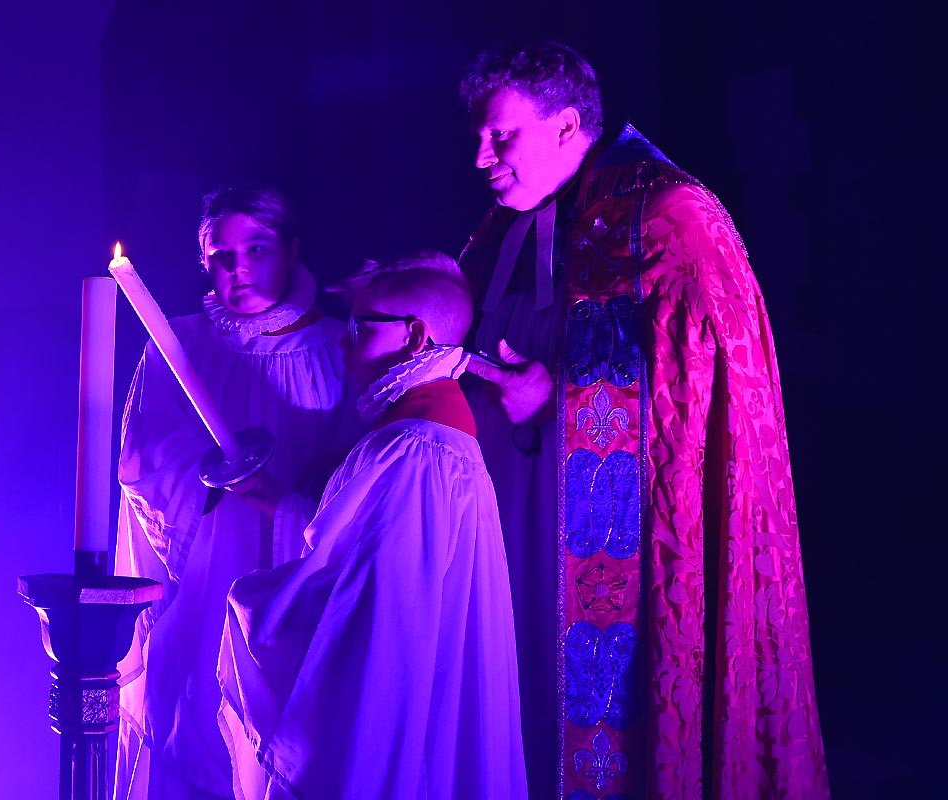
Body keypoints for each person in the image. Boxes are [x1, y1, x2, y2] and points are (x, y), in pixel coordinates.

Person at [457, 42, 829, 799]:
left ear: (566, 126)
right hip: (513, 519)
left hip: (622, 542)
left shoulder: (669, 214)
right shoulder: (500, 231)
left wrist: (554, 398)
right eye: (479, 139)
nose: (482, 159)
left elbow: (699, 396)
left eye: (502, 136)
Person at [216, 252, 527, 800]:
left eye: (360, 328)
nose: (343, 342)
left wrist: (254, 607)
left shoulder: (416, 452)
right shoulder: (420, 440)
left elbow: (376, 626)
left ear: (413, 337)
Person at [112, 185, 351, 800]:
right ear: (203, 261)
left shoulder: (340, 347)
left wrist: (303, 493)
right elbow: (145, 454)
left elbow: (360, 452)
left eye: (258, 249)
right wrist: (212, 474)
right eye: (221, 256)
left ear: (292, 250)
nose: (239, 269)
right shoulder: (180, 344)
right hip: (208, 566)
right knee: (201, 725)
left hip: (302, 561)